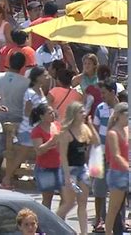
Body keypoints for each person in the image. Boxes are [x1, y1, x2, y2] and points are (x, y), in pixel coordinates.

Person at [56, 102, 100, 235]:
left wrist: (91, 126)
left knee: (83, 202)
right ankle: (51, 225)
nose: (84, 114)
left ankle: (83, 232)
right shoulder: (66, 132)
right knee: (69, 202)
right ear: (73, 114)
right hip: (70, 169)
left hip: (82, 169)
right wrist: (67, 176)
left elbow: (96, 142)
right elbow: (63, 156)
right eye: (81, 112)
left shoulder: (85, 128)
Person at [2, 66, 48, 188]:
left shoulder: (41, 90)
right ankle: (7, 179)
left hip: (39, 129)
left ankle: (38, 178)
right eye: (44, 75)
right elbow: (28, 112)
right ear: (37, 77)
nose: (47, 77)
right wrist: (41, 115)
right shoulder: (30, 92)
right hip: (29, 130)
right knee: (21, 156)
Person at [0, 52, 30, 184]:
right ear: (23, 65)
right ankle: (13, 172)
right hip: (17, 117)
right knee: (17, 146)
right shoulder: (26, 82)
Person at [92, 78, 120, 232]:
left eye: (104, 93)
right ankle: (98, 219)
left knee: (119, 190)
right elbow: (95, 130)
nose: (101, 95)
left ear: (112, 92)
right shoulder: (99, 108)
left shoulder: (123, 110)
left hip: (117, 156)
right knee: (99, 189)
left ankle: (118, 220)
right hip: (101, 154)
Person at [30, 104, 62, 208]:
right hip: (45, 168)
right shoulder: (37, 131)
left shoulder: (57, 125)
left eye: (53, 112)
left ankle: (61, 219)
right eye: (49, 113)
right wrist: (51, 141)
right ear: (41, 117)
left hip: (59, 166)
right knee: (48, 198)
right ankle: (46, 222)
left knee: (66, 196)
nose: (53, 115)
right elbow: (39, 150)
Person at [104, 102, 128, 235]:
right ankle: (108, 232)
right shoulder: (113, 133)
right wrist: (127, 168)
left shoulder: (126, 130)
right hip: (118, 173)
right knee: (114, 208)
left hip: (125, 171)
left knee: (119, 207)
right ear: (119, 115)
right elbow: (116, 155)